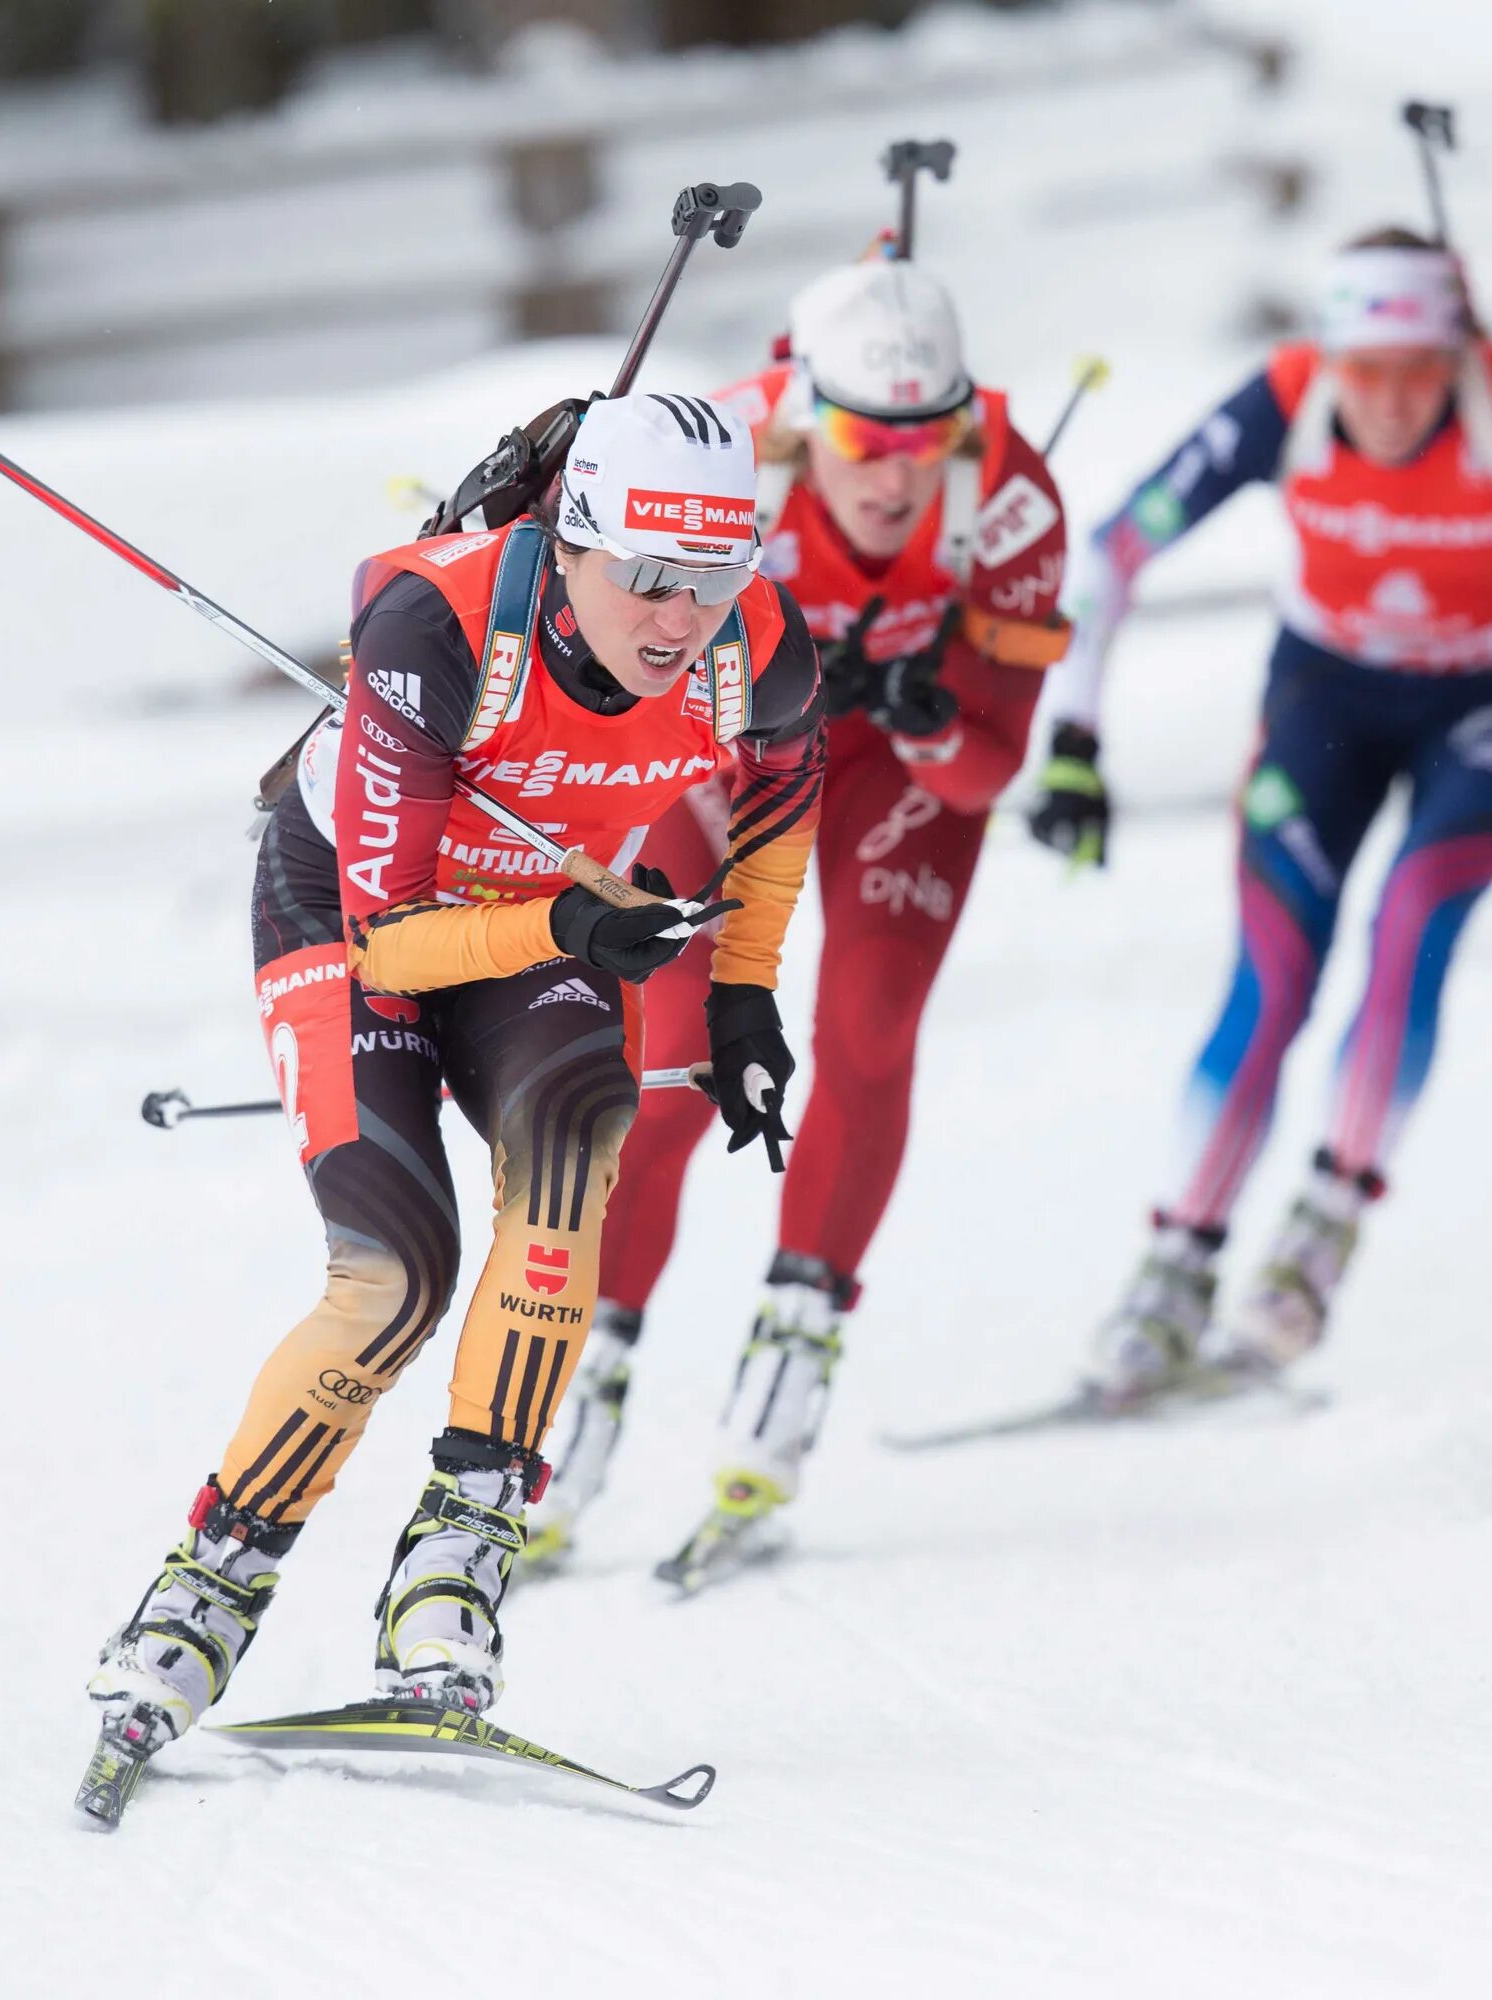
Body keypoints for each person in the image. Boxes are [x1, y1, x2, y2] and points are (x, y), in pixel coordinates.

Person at [84, 391, 824, 1773]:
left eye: (714, 574)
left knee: (577, 1143)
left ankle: (456, 1565)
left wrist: (744, 992)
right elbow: (392, 941)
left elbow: (780, 810)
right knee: (395, 1275)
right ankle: (207, 1588)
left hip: (545, 918)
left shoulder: (758, 647)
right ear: (573, 538)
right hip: (357, 914)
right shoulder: (440, 632)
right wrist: (573, 925)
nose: (681, 617)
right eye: (647, 575)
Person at [1029, 228, 1492, 1405]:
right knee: (1273, 974)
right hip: (1331, 693)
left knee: (1411, 920)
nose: (1391, 401)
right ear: (1327, 357)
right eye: (1365, 370)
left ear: (1461, 354)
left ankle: (1316, 1240)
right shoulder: (1284, 400)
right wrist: (1074, 745)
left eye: (1418, 371)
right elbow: (1111, 552)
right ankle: (1173, 1269)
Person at [523, 256, 1071, 1568]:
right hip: (720, 762)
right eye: (865, 440)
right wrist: (751, 693)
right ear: (800, 413)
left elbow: (989, 767)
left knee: (868, 1030)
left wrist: (928, 714)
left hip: (892, 770)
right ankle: (574, 1398)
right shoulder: (715, 467)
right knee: (672, 1073)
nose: (896, 475)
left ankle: (787, 1370)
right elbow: (600, 667)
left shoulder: (1007, 497)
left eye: (927, 439)